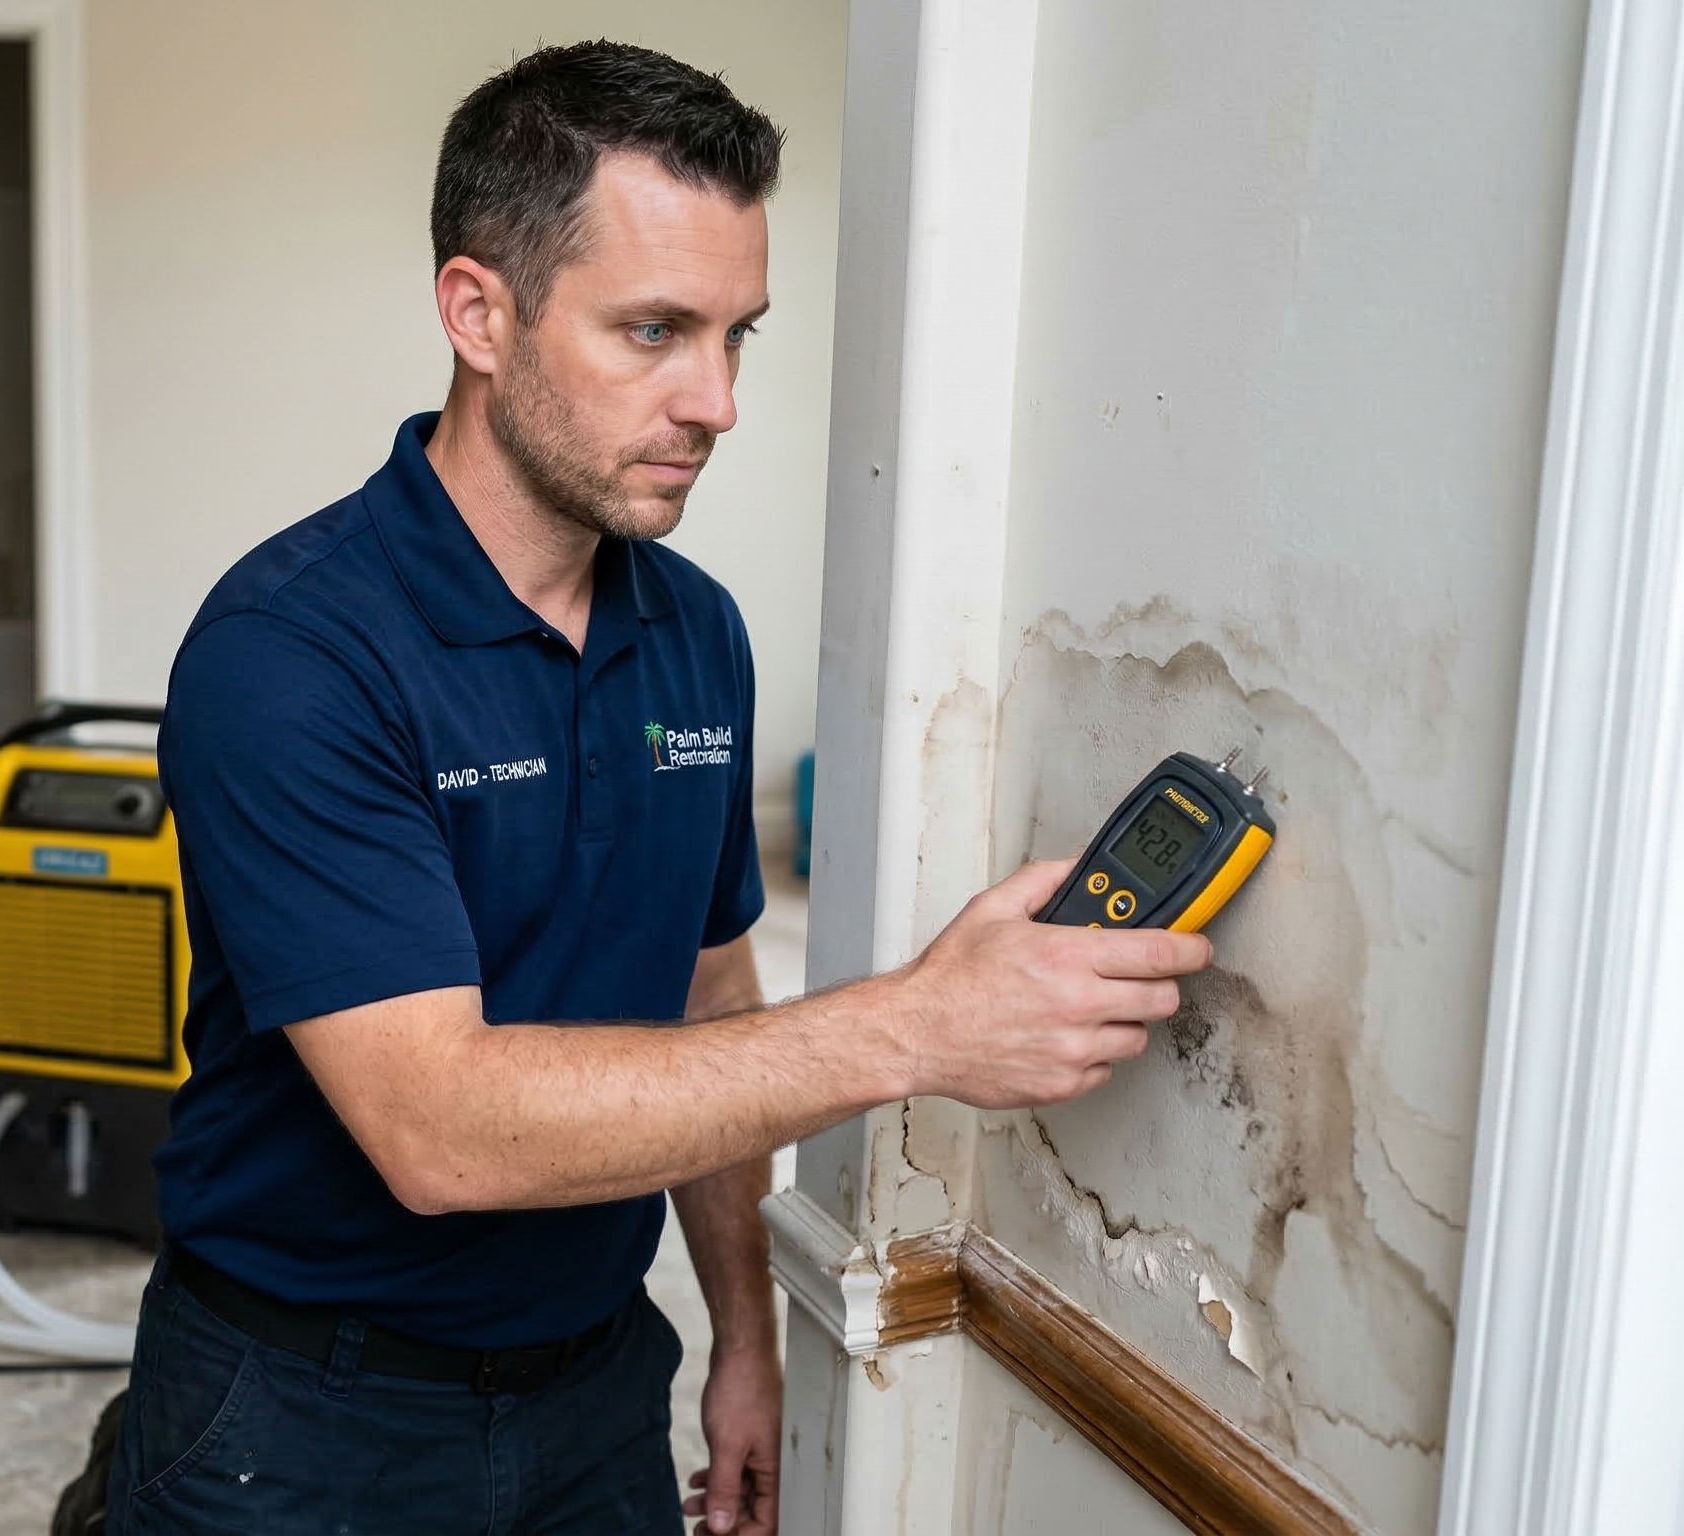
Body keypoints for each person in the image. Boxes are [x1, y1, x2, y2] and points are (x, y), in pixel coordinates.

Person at [107, 41, 1210, 1536]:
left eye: (737, 335)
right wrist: (922, 1023)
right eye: (653, 332)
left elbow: (705, 990)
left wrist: (744, 1336)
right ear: (478, 312)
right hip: (298, 1417)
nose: (718, 400)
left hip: (595, 1388)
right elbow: (438, 1131)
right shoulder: (291, 654)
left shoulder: (694, 634)